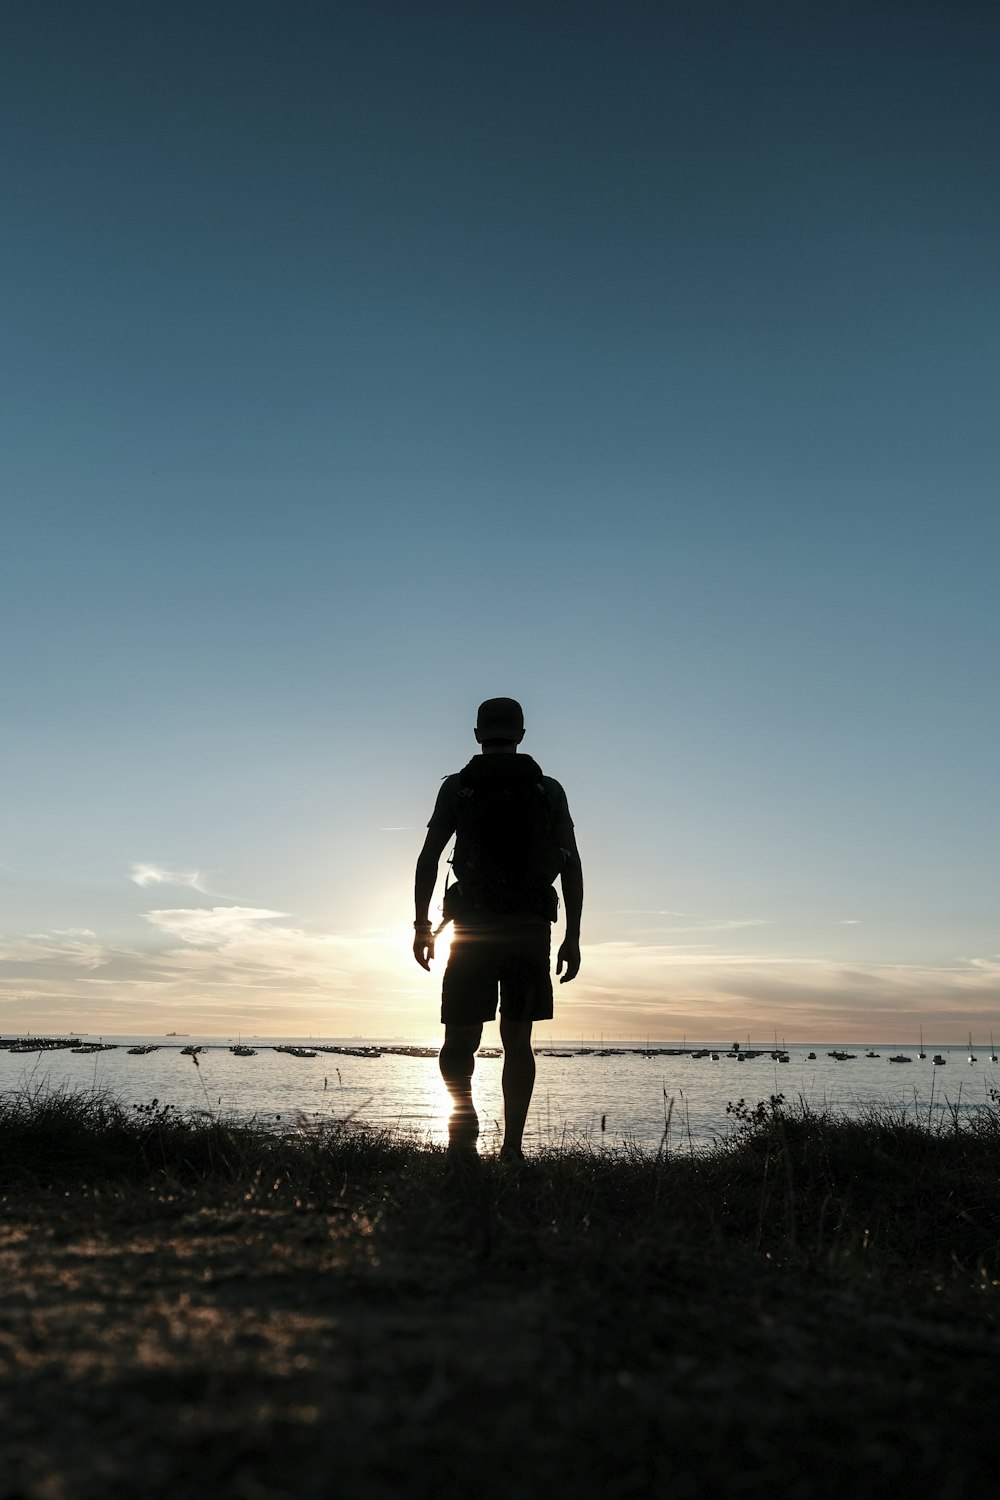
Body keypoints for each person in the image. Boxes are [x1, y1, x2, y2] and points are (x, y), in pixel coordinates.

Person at [413, 697, 583, 1163]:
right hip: (529, 928)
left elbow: (429, 858)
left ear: (477, 735)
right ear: (522, 735)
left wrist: (422, 926)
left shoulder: (459, 788)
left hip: (472, 926)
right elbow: (571, 864)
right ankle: (512, 1149)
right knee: (517, 1042)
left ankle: (462, 1132)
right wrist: (573, 935)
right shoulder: (548, 790)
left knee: (460, 1039)